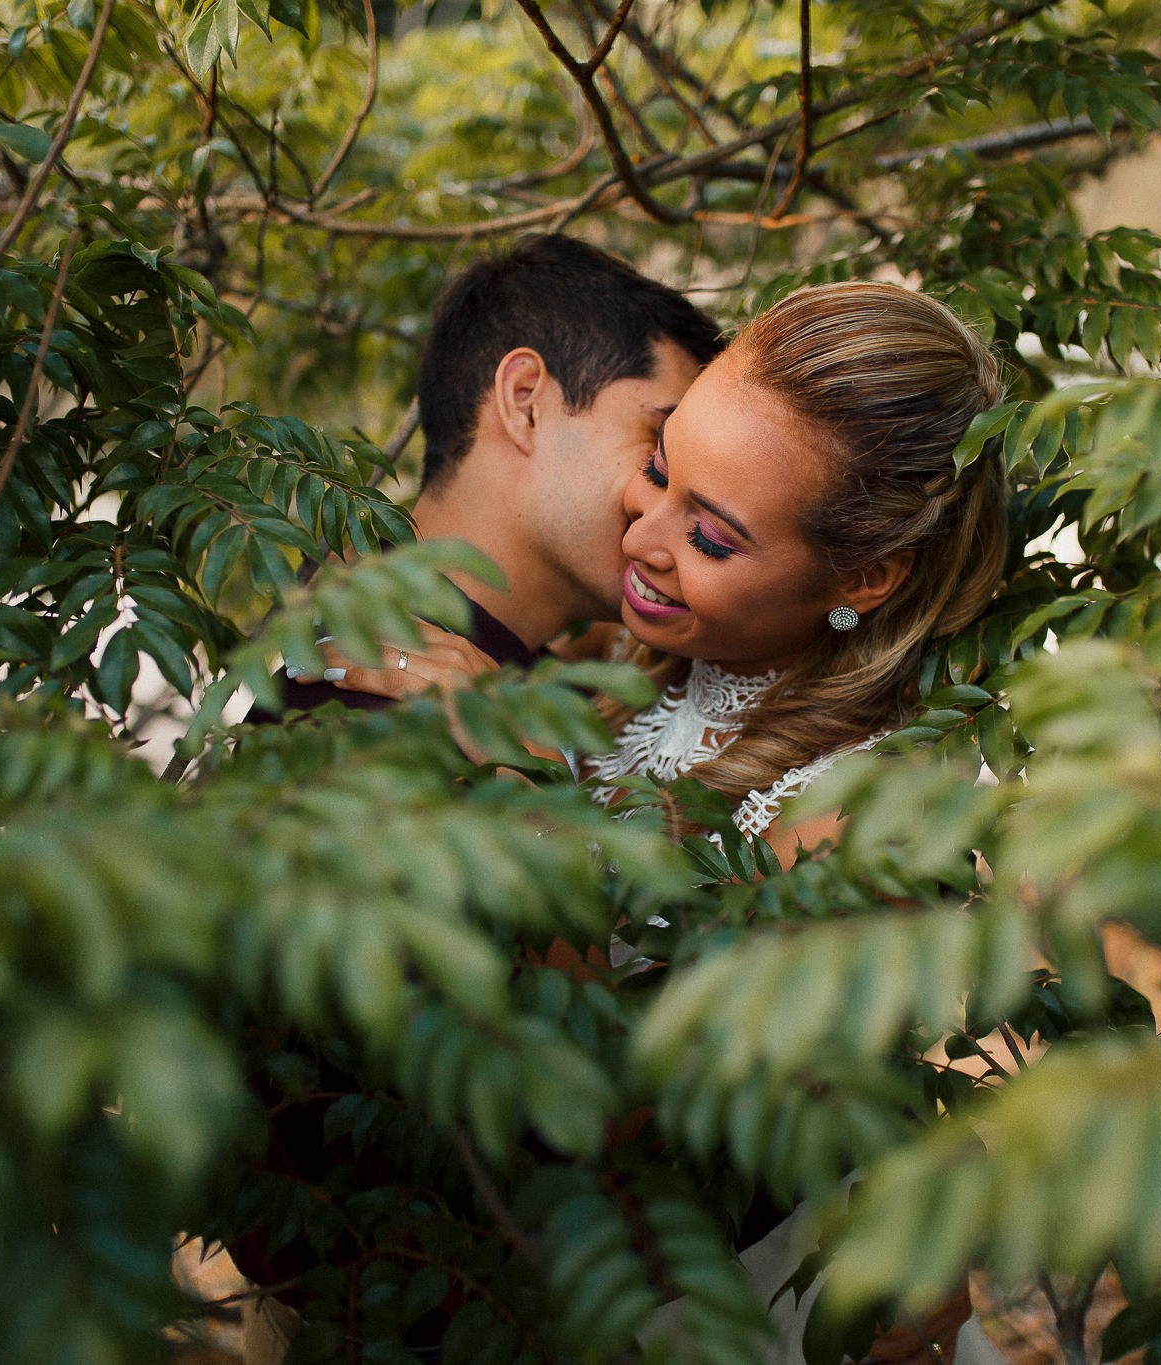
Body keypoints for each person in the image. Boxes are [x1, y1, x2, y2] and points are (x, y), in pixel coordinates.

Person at [323, 281, 1013, 1363]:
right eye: (658, 469)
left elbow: (631, 1154)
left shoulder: (861, 817)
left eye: (712, 532)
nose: (641, 536)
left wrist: (534, 812)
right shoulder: (626, 677)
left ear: (864, 577)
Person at [234, 233, 721, 1365]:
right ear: (523, 399)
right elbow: (550, 1139)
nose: (673, 513)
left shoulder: (500, 671)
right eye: (657, 453)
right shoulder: (374, 709)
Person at [258, 231, 722, 718]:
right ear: (525, 401)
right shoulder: (360, 708)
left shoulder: (534, 694)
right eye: (661, 444)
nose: (677, 495)